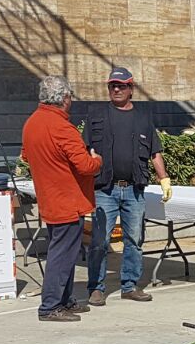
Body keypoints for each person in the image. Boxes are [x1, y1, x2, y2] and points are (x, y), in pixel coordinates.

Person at [84, 67, 172, 306]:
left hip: (134, 190)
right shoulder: (97, 116)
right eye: (112, 85)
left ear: (131, 89)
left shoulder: (143, 118)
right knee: (100, 241)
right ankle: (96, 288)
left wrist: (164, 178)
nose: (116, 89)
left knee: (134, 240)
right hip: (105, 190)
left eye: (121, 86)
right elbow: (85, 152)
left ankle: (130, 285)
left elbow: (155, 152)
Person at [22, 75, 103, 322]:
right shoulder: (62, 127)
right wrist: (97, 159)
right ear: (65, 99)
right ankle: (51, 306)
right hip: (66, 199)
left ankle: (64, 300)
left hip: (50, 197)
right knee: (62, 254)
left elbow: (25, 156)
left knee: (64, 252)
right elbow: (86, 166)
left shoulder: (32, 123)